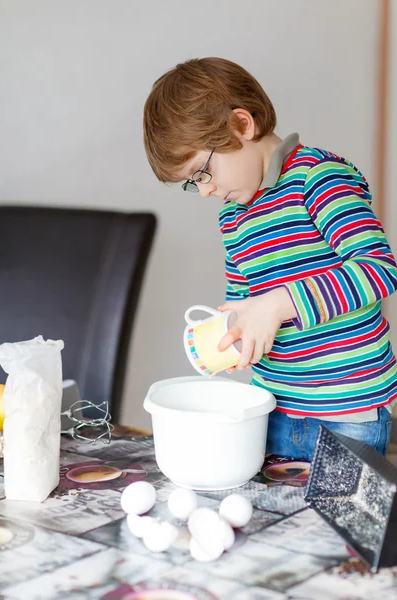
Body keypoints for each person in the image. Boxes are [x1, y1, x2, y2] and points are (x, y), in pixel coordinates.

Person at [143, 57, 397, 460]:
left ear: (242, 125)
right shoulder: (233, 216)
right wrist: (237, 335)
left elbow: (377, 270)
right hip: (272, 405)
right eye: (192, 184)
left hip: (347, 408)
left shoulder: (318, 178)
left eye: (201, 172)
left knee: (335, 522)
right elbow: (245, 301)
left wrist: (279, 304)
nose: (205, 191)